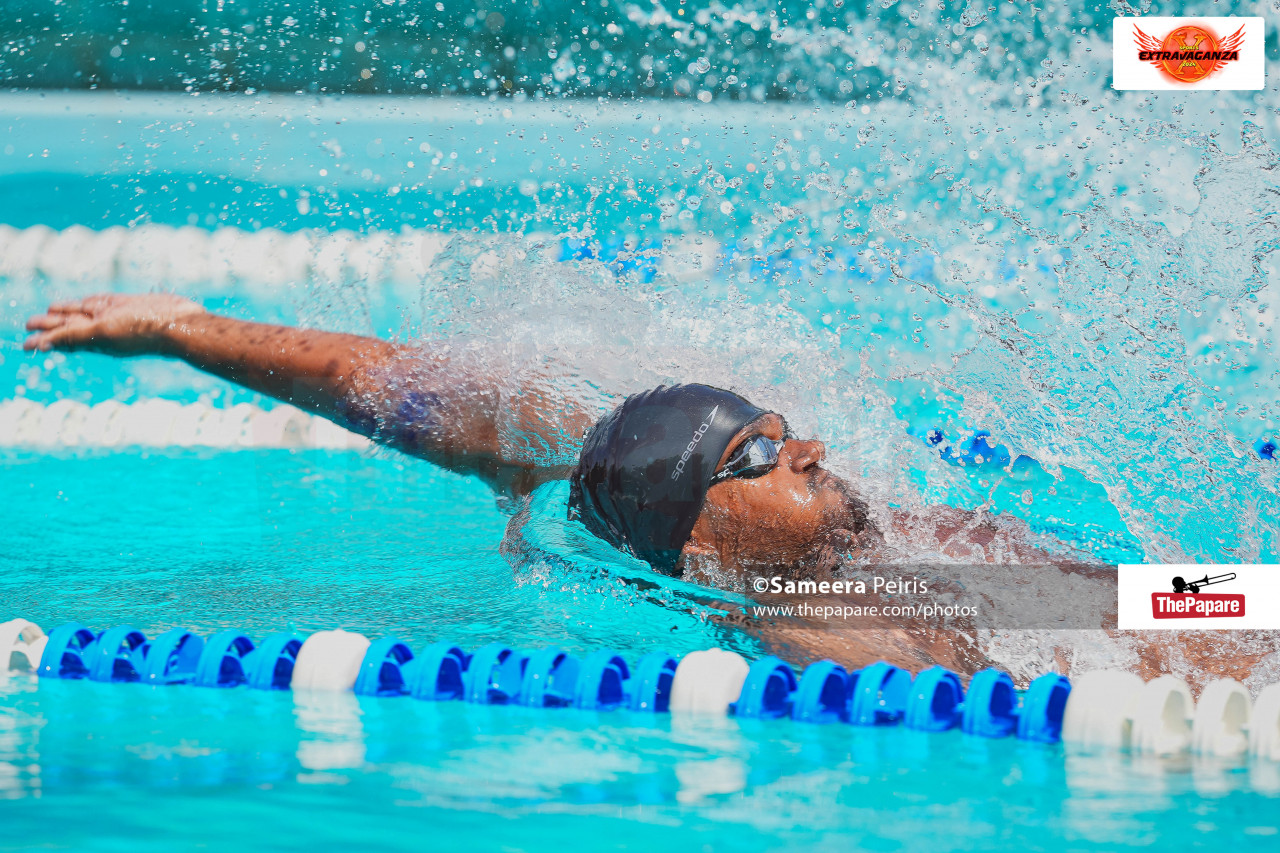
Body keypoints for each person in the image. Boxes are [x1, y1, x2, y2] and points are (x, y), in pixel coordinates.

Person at [23, 293, 1280, 688]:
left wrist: (183, 329)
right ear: (697, 544)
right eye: (757, 457)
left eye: (782, 432)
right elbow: (1155, 630)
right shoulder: (828, 618)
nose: (804, 450)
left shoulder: (860, 540)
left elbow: (408, 394)